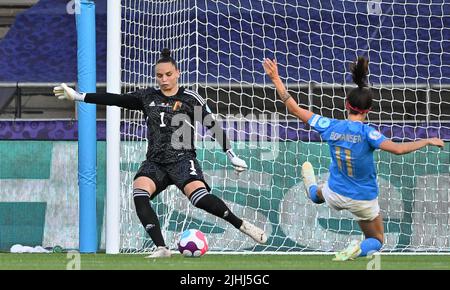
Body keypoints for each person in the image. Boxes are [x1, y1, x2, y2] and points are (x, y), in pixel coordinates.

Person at [54, 48, 268, 258]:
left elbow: (212, 126)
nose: (163, 79)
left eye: (168, 74)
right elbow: (115, 99)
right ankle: (161, 248)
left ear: (177, 74)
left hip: (183, 160)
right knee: (139, 193)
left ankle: (240, 224)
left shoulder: (191, 98)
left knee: (200, 199)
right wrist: (78, 96)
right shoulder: (147, 97)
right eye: (159, 75)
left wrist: (231, 154)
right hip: (155, 162)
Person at [263, 56, 444, 261]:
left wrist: (276, 78)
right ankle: (357, 249)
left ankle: (311, 188)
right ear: (368, 110)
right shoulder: (369, 133)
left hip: (336, 193)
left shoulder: (330, 125)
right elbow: (398, 149)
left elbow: (294, 108)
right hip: (363, 199)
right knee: (376, 240)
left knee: (318, 194)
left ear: (346, 104)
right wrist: (427, 140)